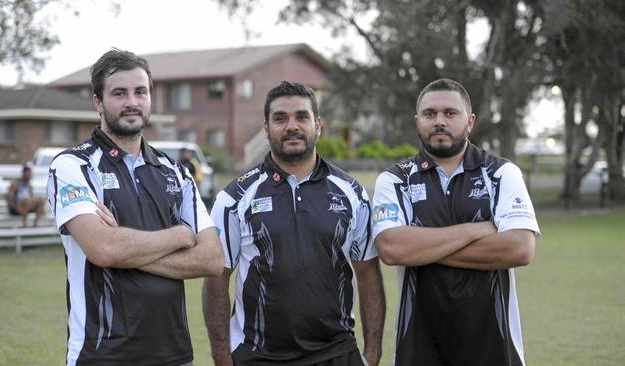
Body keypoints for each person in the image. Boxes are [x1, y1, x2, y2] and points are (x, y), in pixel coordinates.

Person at [46, 48, 223, 366]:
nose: (132, 102)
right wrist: (182, 235)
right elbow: (103, 250)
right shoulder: (74, 165)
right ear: (98, 102)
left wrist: (125, 249)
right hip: (101, 354)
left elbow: (211, 259)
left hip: (174, 354)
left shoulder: (176, 171)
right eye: (119, 93)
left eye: (140, 92)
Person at [203, 81, 385, 366]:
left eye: (302, 116)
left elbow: (368, 272)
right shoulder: (235, 196)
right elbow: (216, 278)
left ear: (318, 125)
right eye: (280, 118)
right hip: (258, 354)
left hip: (336, 352)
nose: (292, 126)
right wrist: (222, 356)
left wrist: (372, 352)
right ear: (266, 128)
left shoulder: (351, 192)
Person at [372, 78, 540, 366]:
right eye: (429, 114)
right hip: (418, 349)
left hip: (495, 349)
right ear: (417, 121)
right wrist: (478, 229)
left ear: (470, 121)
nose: (439, 121)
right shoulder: (395, 179)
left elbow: (520, 249)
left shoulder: (502, 173)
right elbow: (392, 250)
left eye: (450, 113)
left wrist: (423, 248)